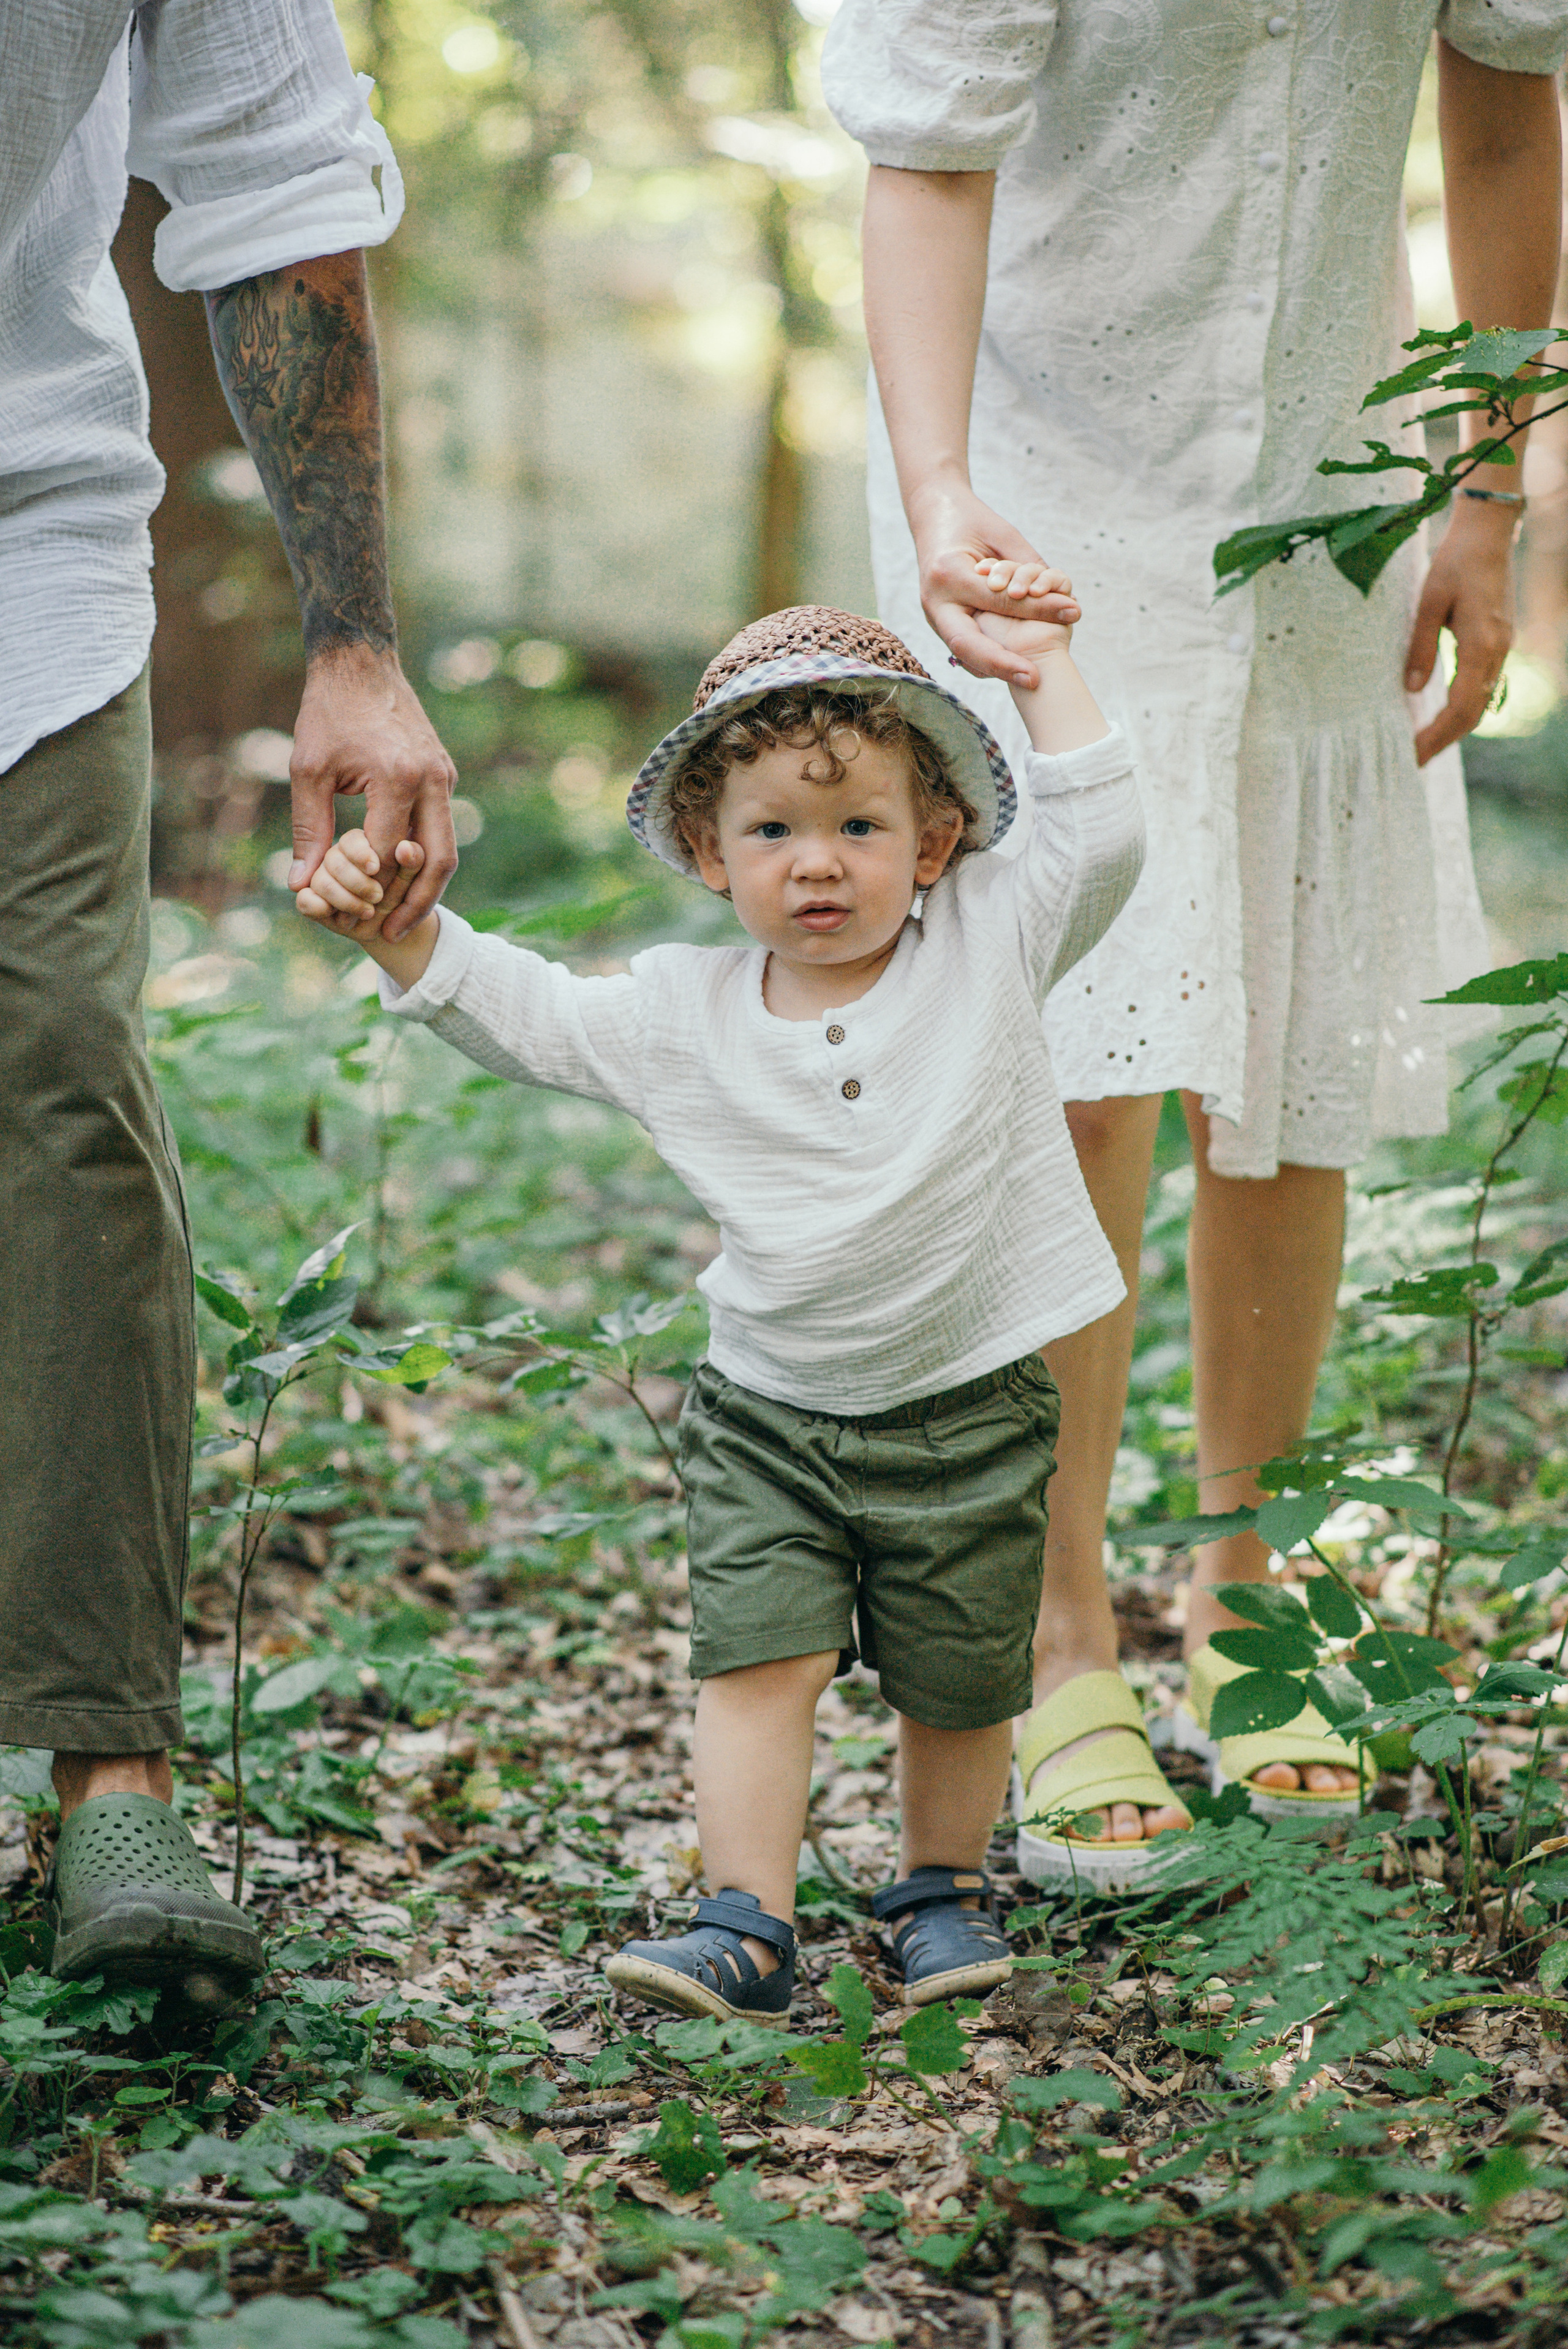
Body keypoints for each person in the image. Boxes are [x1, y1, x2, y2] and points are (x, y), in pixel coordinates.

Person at [820, 0, 1567, 1880]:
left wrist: (1489, 489)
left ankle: (1252, 1599)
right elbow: (928, 152)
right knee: (1089, 1074)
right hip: (1035, 491)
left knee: (1290, 1072)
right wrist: (933, 491)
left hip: (1334, 489)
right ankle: (1059, 1643)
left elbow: (1499, 119)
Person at [294, 597, 1173, 2020]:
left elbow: (1105, 838)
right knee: (756, 1660)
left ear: (933, 843)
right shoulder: (680, 1012)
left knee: (958, 1675)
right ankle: (745, 1920)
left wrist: (1048, 668)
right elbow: (532, 1015)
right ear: (709, 852)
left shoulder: (988, 945)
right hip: (768, 1416)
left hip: (967, 1401)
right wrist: (406, 939)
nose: (815, 865)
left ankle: (939, 1885)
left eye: (859, 830)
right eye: (770, 833)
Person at [1, 0, 456, 1992]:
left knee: (58, 1068)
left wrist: (354, 638)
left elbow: (273, 164)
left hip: (21, 531)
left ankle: (109, 1772)